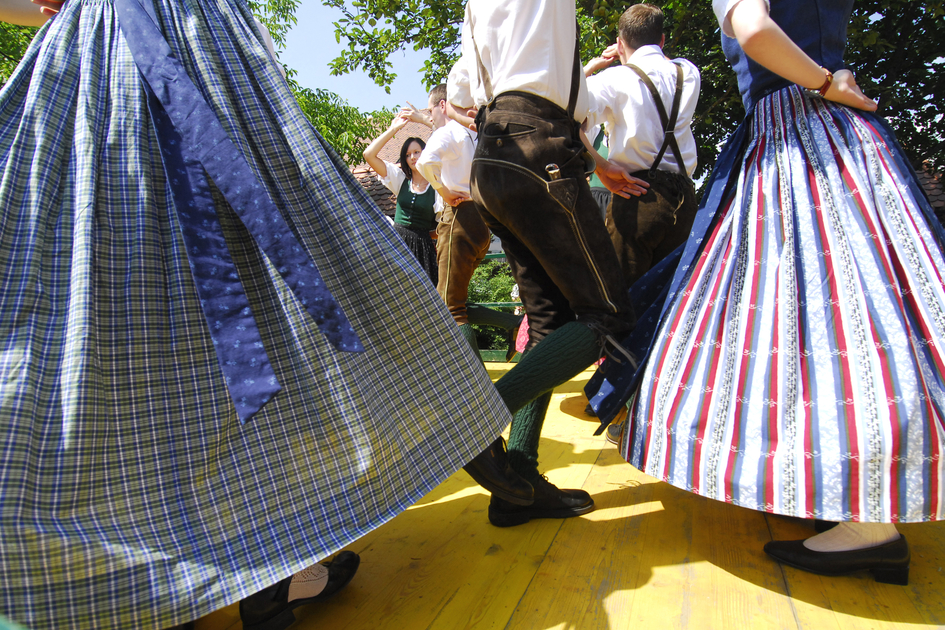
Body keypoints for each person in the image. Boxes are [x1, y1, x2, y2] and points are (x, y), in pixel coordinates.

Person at [0, 1, 516, 629]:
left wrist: (60, 12)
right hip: (198, 54)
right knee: (305, 299)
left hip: (96, 78)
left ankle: (142, 582)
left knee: (115, 320)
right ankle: (274, 567)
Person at [591, 0, 943, 585]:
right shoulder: (683, 72)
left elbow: (755, 31)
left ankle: (866, 519)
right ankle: (849, 485)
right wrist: (831, 79)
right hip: (844, 134)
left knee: (800, 308)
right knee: (864, 299)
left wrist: (823, 82)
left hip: (791, 135)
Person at [447, 0, 648, 528]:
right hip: (540, 149)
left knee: (547, 326)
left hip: (490, 158)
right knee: (608, 317)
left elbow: (462, 94)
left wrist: (596, 161)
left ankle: (518, 486)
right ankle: (473, 428)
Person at [583, 3, 700, 288]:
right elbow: (663, 61)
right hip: (685, 201)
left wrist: (602, 167)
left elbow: (567, 118)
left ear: (619, 42)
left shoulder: (613, 79)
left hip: (636, 196)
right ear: (662, 40)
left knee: (622, 298)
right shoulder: (687, 72)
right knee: (672, 299)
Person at [415, 84, 522, 357]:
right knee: (455, 300)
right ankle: (511, 323)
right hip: (483, 220)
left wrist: (444, 192)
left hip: (460, 218)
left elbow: (424, 162)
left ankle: (474, 378)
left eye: (430, 110)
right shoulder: (479, 133)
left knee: (450, 308)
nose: (431, 117)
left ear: (443, 105)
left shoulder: (448, 131)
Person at [362, 115, 440, 285]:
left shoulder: (437, 188)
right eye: (408, 154)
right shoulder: (400, 179)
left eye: (417, 152)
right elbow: (368, 155)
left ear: (426, 152)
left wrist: (423, 235)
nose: (412, 157)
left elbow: (442, 227)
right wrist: (394, 129)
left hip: (423, 251)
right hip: (396, 244)